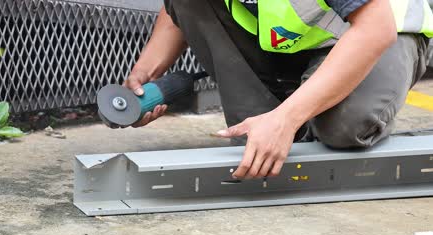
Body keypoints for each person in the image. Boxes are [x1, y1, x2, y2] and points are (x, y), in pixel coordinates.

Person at [122, 0, 432, 179]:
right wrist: (145, 73)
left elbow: (375, 30)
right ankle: (271, 122)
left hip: (381, 32)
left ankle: (294, 114)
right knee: (256, 148)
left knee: (343, 128)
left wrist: (286, 118)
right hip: (296, 41)